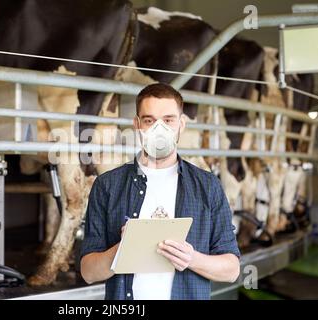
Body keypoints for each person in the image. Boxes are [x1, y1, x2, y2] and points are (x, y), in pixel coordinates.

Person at [80, 83, 240, 300]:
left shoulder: (207, 186)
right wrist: (123, 250)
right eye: (149, 120)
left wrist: (191, 258)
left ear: (181, 124)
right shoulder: (107, 185)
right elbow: (88, 272)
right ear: (137, 125)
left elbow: (232, 270)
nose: (159, 129)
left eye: (168, 120)